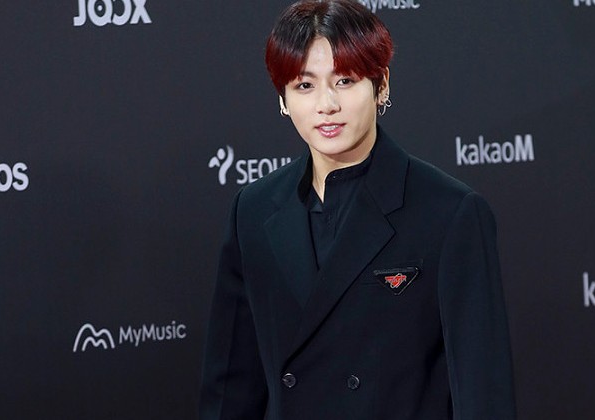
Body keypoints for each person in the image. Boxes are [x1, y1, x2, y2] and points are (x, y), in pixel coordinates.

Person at [200, 1, 516, 418]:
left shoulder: (449, 212)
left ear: (381, 85)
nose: (326, 104)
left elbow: (483, 395)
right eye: (304, 85)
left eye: (345, 80)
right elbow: (231, 387)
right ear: (283, 98)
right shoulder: (253, 212)